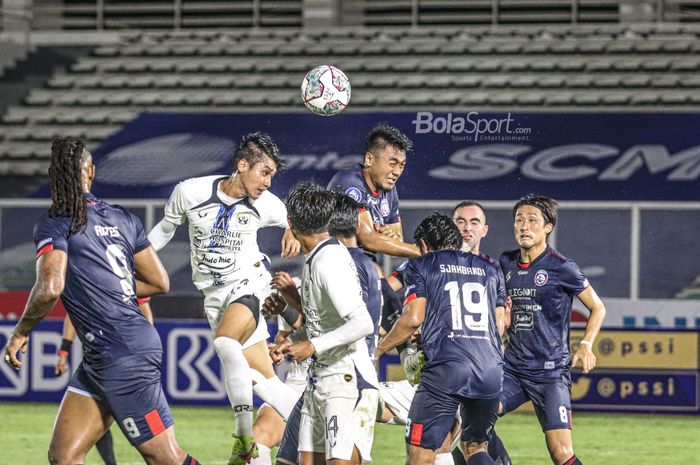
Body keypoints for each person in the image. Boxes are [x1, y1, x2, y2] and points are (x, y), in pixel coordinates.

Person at [3, 137, 202, 465]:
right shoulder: (124, 219)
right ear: (91, 172)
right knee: (64, 456)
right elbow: (158, 281)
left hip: (123, 355)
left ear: (55, 176)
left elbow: (51, 287)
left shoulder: (57, 222)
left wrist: (21, 332)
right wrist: (111, 289)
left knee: (165, 457)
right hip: (102, 357)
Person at [147, 132, 301, 465]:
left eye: (273, 174)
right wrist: (130, 259)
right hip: (214, 297)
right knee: (263, 382)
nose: (268, 181)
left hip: (250, 285)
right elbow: (161, 232)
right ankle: (319, 428)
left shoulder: (269, 204)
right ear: (242, 165)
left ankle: (243, 437)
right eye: (264, 172)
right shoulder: (189, 192)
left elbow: (301, 220)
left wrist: (293, 226)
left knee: (225, 343)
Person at [378, 213, 506, 465]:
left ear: (424, 245)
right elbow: (499, 323)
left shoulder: (422, 264)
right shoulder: (490, 269)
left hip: (446, 370)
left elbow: (413, 317)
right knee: (476, 448)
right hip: (490, 369)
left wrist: (379, 349)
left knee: (419, 455)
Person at [498, 195, 607, 465]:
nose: (524, 226)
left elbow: (598, 308)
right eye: (519, 220)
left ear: (548, 227)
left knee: (561, 453)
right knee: (473, 421)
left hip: (550, 374)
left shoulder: (562, 267)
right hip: (511, 370)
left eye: (532, 220)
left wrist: (585, 344)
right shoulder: (505, 263)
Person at [282, 182, 378, 465]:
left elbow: (363, 323)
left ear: (291, 223)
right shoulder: (318, 256)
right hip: (320, 379)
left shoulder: (328, 261)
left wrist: (312, 345)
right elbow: (323, 323)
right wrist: (292, 343)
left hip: (347, 381)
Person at [54, 298, 154, 465]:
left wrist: (141, 354)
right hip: (97, 361)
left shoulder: (121, 277)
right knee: (65, 452)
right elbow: (73, 313)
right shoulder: (82, 283)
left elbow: (150, 302)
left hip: (127, 361)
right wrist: (64, 351)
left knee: (162, 452)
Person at [327, 123, 419, 258]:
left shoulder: (390, 190)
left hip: (359, 258)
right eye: (392, 164)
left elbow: (398, 241)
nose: (397, 172)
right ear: (369, 159)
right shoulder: (350, 182)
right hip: (332, 257)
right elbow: (368, 239)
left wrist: (386, 237)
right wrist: (423, 252)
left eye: (402, 165)